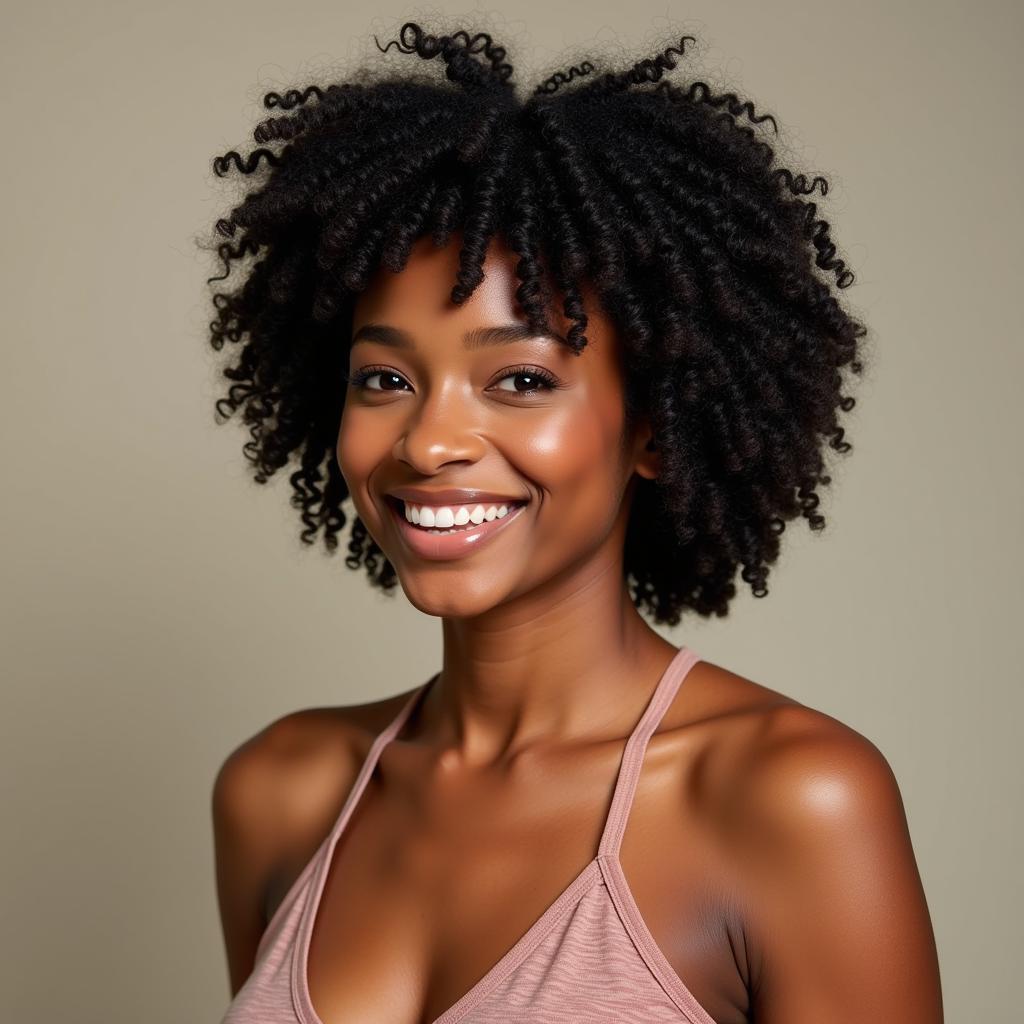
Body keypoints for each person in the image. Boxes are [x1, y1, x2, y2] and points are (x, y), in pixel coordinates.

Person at [204, 20, 943, 1023]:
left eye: (519, 379)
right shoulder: (281, 790)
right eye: (384, 378)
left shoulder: (790, 799)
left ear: (651, 426)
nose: (428, 442)